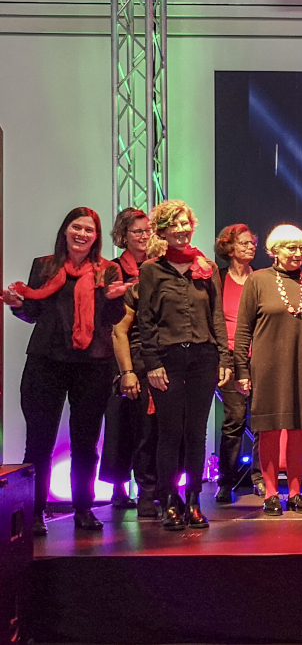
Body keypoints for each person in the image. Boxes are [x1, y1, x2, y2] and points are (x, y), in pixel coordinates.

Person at [4, 207, 130, 534]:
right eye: (77, 227)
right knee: (39, 442)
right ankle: (34, 513)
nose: (82, 234)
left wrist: (115, 300)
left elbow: (113, 319)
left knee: (86, 443)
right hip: (46, 362)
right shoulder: (44, 266)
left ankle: (83, 509)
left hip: (93, 365)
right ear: (65, 230)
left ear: (96, 237)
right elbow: (32, 312)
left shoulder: (109, 270)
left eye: (89, 230)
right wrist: (17, 305)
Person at [138, 200, 232, 530]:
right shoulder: (151, 269)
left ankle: (193, 500)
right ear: (162, 231)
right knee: (169, 433)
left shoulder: (207, 268)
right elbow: (146, 319)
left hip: (203, 357)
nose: (181, 229)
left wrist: (224, 357)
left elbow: (217, 315)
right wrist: (152, 363)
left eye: (185, 223)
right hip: (167, 359)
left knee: (195, 433)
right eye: (174, 224)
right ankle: (168, 501)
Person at [234, 225, 302, 516]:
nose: (298, 253)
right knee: (270, 430)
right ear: (274, 250)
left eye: (301, 248)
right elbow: (243, 330)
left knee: (299, 430)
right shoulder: (257, 280)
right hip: (267, 368)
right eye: (291, 247)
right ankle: (271, 493)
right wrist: (242, 370)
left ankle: (295, 493)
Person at [107, 211, 162, 519]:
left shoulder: (159, 266)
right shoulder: (113, 268)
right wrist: (125, 370)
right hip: (122, 354)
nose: (143, 236)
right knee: (121, 427)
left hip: (151, 353)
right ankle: (119, 489)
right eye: (137, 231)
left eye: (147, 231)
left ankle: (150, 489)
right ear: (123, 235)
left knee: (147, 429)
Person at [213, 223, 262, 503]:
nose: (250, 247)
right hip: (229, 357)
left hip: (260, 356)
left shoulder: (261, 278)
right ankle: (226, 481)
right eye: (244, 243)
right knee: (234, 419)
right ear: (229, 248)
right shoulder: (219, 279)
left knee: (261, 419)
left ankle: (259, 477)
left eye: (252, 243)